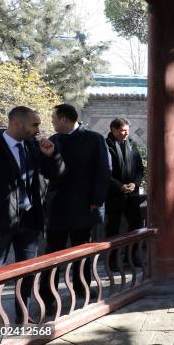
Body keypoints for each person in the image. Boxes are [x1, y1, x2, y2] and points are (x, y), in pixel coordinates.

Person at [0, 106, 64, 324]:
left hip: (30, 220)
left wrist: (52, 155)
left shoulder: (34, 147)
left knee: (27, 273)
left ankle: (23, 318)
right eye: (35, 125)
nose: (38, 130)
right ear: (17, 124)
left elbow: (57, 174)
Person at [41, 104, 111, 313]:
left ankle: (82, 289)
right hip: (58, 207)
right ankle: (47, 295)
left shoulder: (94, 139)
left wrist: (97, 200)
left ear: (64, 119)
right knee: (52, 253)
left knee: (82, 251)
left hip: (83, 205)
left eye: (54, 118)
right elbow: (48, 173)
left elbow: (103, 171)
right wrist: (50, 156)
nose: (52, 122)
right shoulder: (53, 141)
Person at [105, 117, 145, 267]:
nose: (126, 134)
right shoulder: (105, 145)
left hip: (132, 195)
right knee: (113, 229)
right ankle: (112, 260)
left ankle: (132, 255)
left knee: (136, 225)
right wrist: (119, 186)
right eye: (122, 131)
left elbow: (139, 168)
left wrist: (135, 183)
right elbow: (104, 171)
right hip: (114, 195)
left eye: (127, 131)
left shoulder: (131, 144)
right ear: (114, 130)